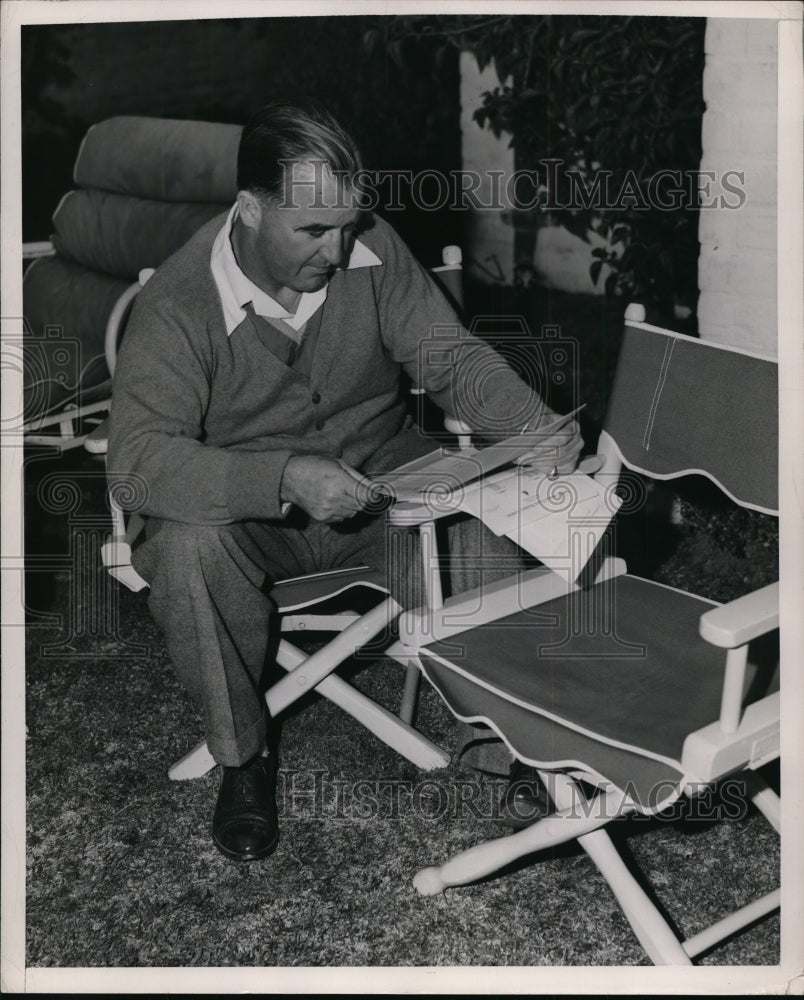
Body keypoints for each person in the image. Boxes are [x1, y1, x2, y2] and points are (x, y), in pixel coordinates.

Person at [107, 99, 582, 862]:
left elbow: (450, 359)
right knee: (189, 548)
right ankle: (242, 759)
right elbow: (136, 462)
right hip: (251, 525)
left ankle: (503, 757)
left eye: (350, 224)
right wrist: (284, 474)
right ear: (249, 209)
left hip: (385, 489)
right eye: (313, 231)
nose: (338, 250)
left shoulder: (372, 249)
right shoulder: (178, 303)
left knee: (483, 533)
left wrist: (530, 425)